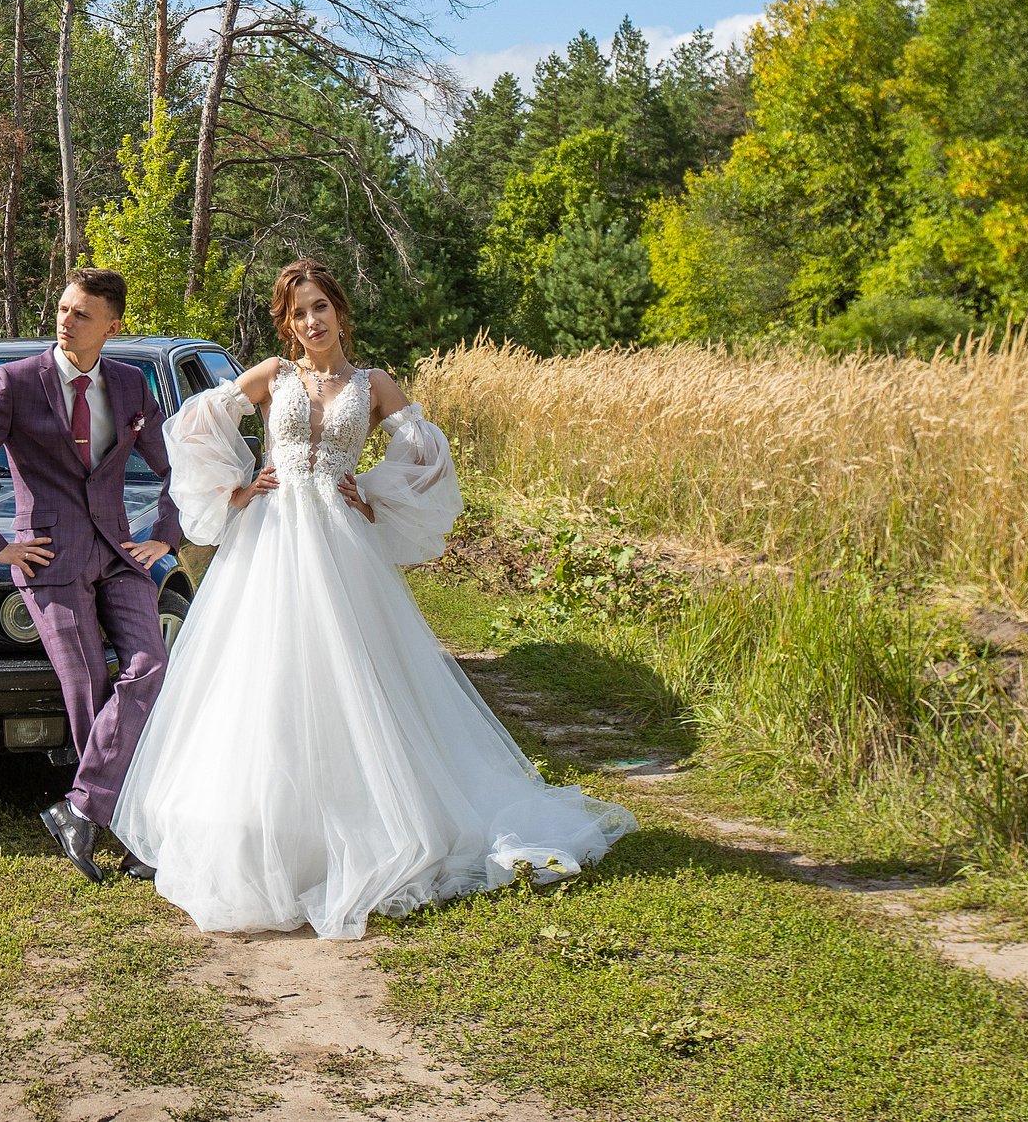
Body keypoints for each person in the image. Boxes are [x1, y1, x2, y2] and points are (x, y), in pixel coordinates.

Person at [110, 256, 635, 936]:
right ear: (286, 322)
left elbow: (428, 456)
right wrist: (237, 488)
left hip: (341, 542)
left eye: (319, 308)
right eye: (297, 313)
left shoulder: (374, 383)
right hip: (272, 540)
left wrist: (377, 494)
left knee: (359, 675)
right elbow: (193, 426)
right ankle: (264, 828)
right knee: (267, 675)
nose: (310, 322)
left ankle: (374, 816)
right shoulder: (274, 375)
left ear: (338, 311)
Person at [0, 268, 185, 883]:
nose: (66, 320)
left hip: (121, 553)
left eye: (82, 314)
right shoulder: (18, 382)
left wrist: (164, 535)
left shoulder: (130, 384)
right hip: (48, 560)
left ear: (112, 327)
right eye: (64, 308)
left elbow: (175, 465)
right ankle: (128, 833)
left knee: (151, 666)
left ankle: (79, 808)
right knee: (89, 689)